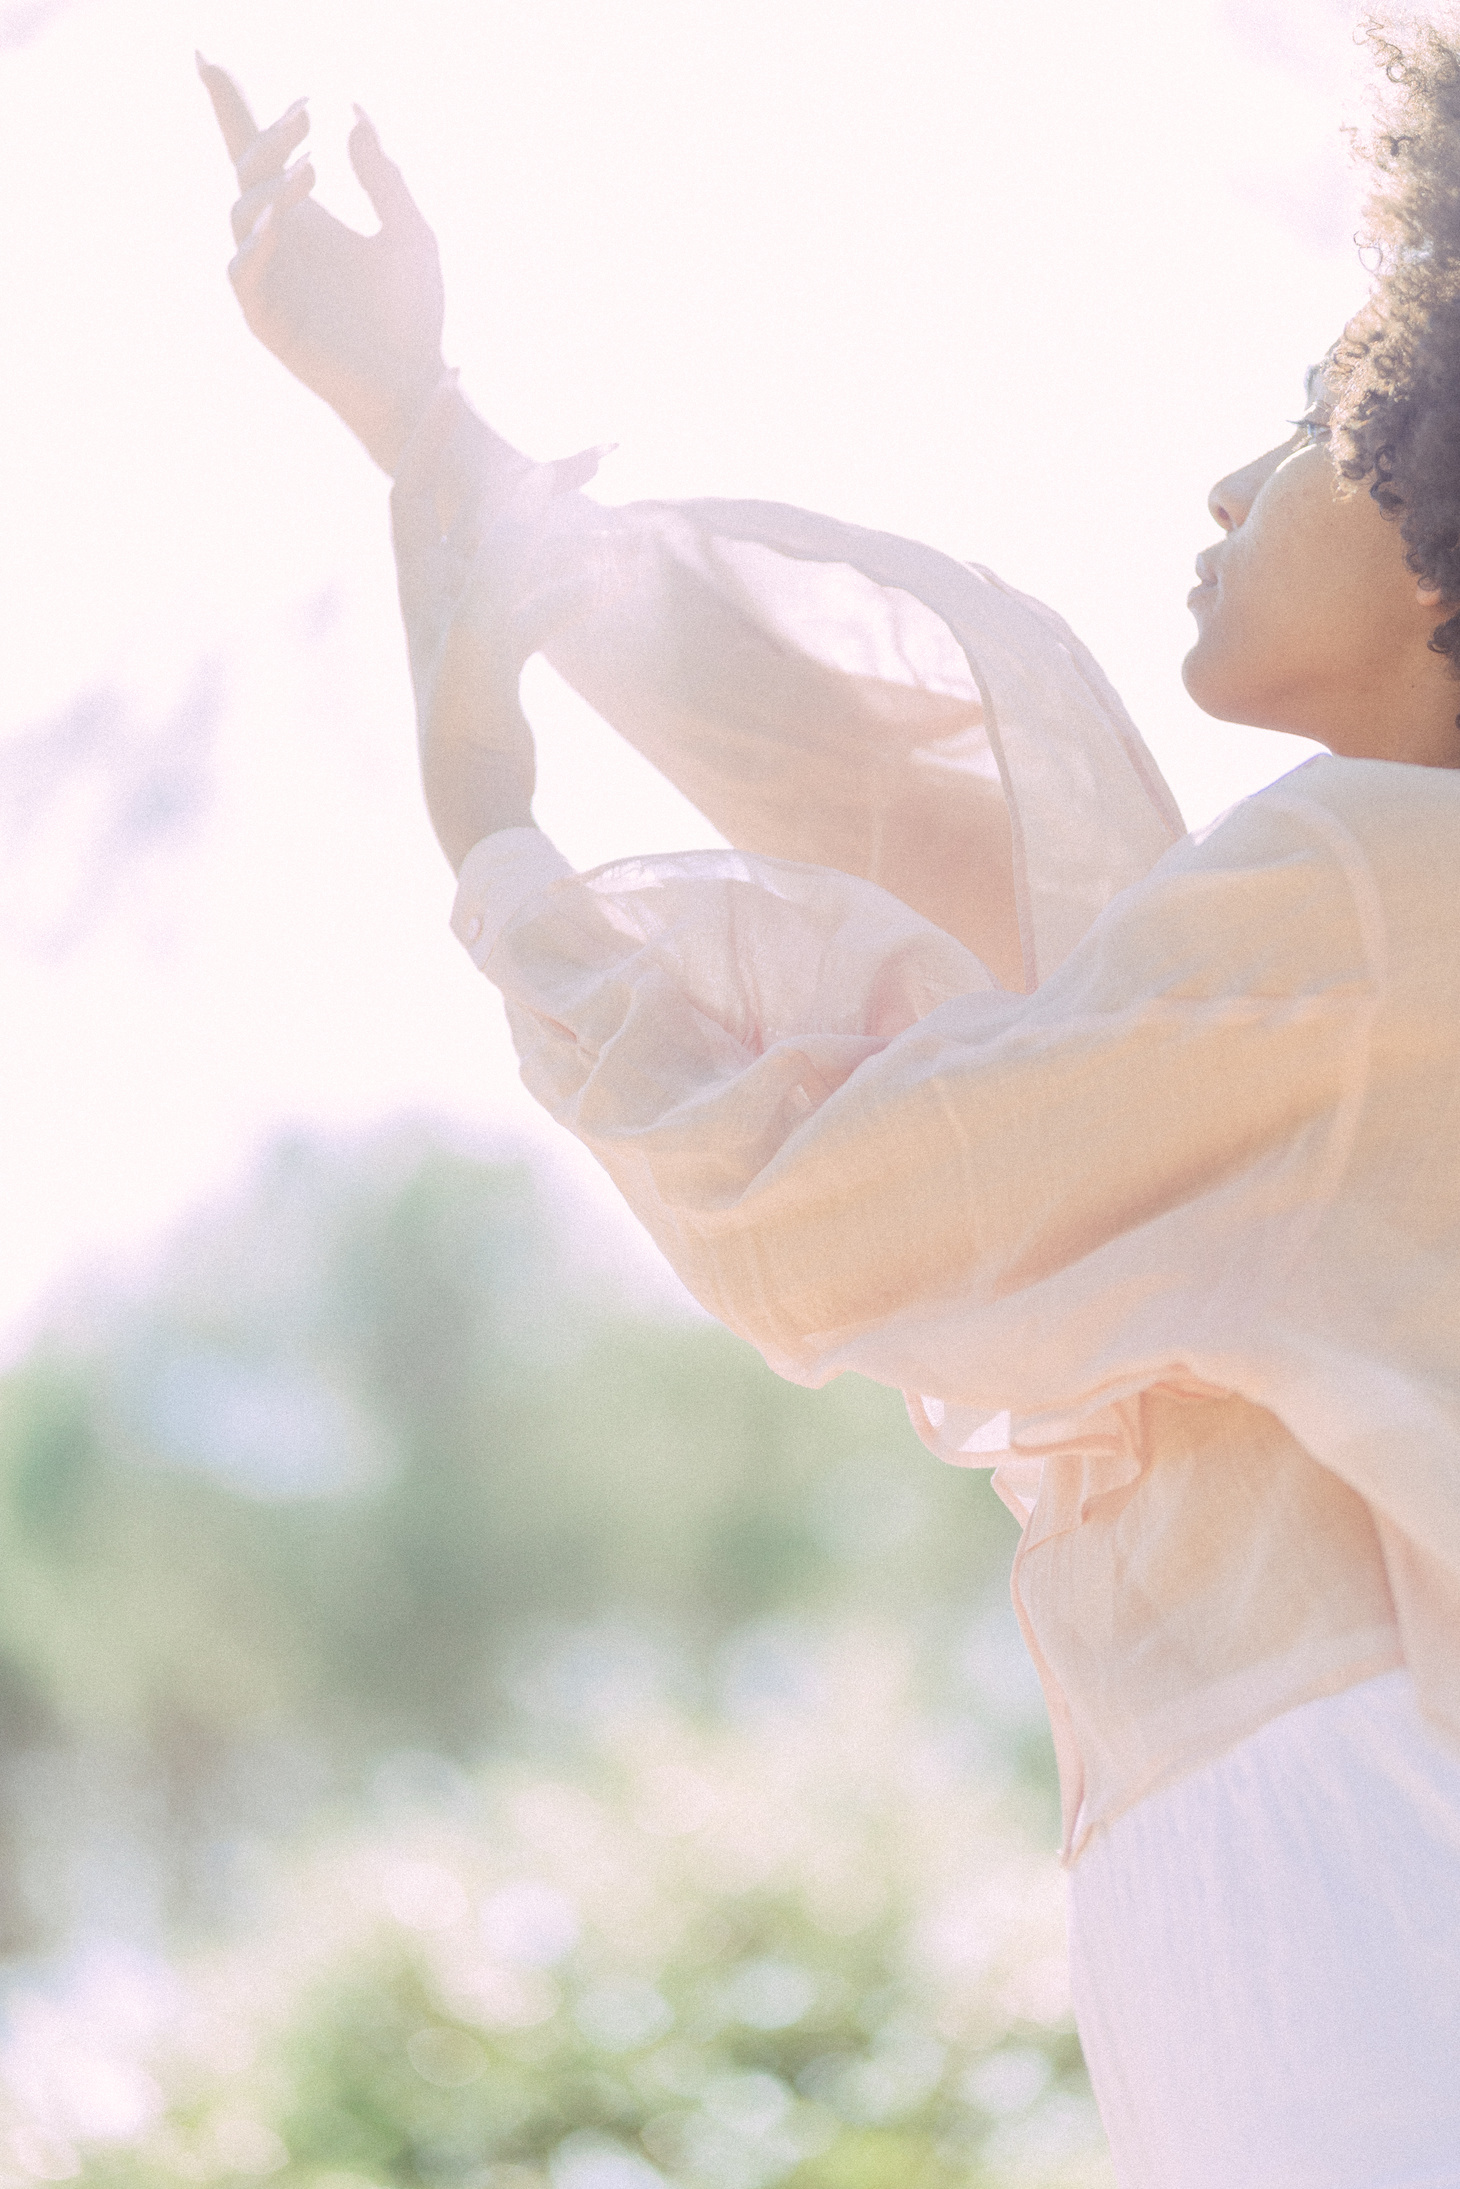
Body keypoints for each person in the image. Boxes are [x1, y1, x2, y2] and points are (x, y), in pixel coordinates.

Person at [201, 25, 1460, 2186]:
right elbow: (982, 859)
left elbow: (826, 1206)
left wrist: (490, 829)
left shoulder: (1364, 900)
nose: (1230, 488)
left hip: (1347, 1894)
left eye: (1308, 420)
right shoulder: (1346, 972)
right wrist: (424, 425)